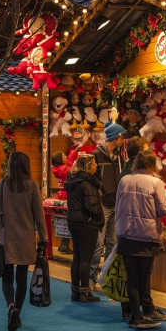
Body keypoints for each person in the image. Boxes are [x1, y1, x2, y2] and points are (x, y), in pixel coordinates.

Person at [0, 152, 48, 331]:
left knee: (6, 277)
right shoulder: (32, 186)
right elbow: (39, 215)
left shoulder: (1, 186)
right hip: (26, 238)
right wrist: (44, 238)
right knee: (21, 278)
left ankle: (11, 306)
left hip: (6, 238)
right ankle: (18, 313)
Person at [115, 150, 166, 330]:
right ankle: (139, 316)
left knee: (132, 278)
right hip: (147, 235)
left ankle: (135, 315)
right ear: (152, 164)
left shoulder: (124, 180)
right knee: (143, 278)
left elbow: (117, 206)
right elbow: (163, 211)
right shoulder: (157, 182)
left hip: (126, 233)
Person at [89, 122, 126, 288]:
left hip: (116, 203)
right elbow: (92, 176)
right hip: (103, 204)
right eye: (121, 136)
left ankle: (106, 279)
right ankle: (90, 277)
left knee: (112, 242)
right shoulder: (96, 155)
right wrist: (101, 190)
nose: (123, 139)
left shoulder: (119, 157)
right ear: (115, 137)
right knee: (98, 242)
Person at [64, 154, 104, 303]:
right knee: (86, 258)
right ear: (87, 167)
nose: (96, 166)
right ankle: (85, 292)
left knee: (77, 258)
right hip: (86, 223)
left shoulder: (73, 181)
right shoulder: (88, 183)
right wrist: (100, 218)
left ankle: (75, 290)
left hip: (74, 221)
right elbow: (91, 206)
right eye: (94, 164)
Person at [51, 150, 75, 254]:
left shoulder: (57, 169)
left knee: (64, 221)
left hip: (61, 195)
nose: (66, 157)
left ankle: (63, 244)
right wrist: (71, 157)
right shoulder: (65, 169)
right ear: (61, 159)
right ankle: (64, 244)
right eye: (64, 156)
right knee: (68, 220)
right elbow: (72, 170)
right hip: (67, 196)